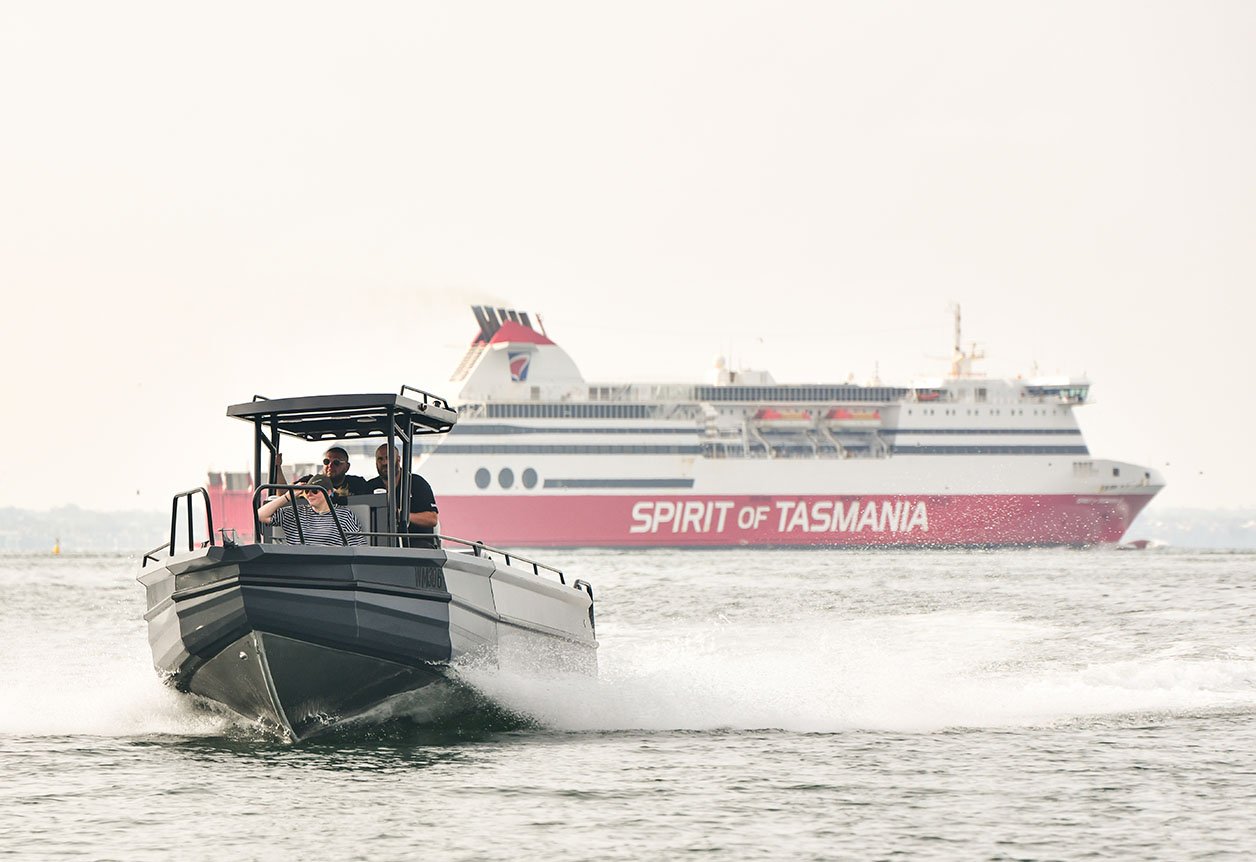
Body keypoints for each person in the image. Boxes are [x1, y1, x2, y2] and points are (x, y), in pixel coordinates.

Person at [256, 474, 368, 547]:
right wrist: (287, 496)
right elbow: (260, 515)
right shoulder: (295, 512)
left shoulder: (344, 515)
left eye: (314, 491)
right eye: (307, 491)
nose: (309, 494)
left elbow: (358, 546)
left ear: (329, 493)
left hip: (330, 566)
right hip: (295, 564)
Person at [365, 444, 439, 548]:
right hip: (380, 545)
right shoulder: (370, 486)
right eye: (380, 459)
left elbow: (432, 519)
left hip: (417, 544)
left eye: (388, 458)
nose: (384, 462)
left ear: (398, 459)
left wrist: (402, 515)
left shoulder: (417, 482)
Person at [277, 446, 370, 504]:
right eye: (326, 461)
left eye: (336, 463)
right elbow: (283, 495)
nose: (330, 465)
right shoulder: (310, 482)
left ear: (347, 467)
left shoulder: (357, 483)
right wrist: (278, 467)